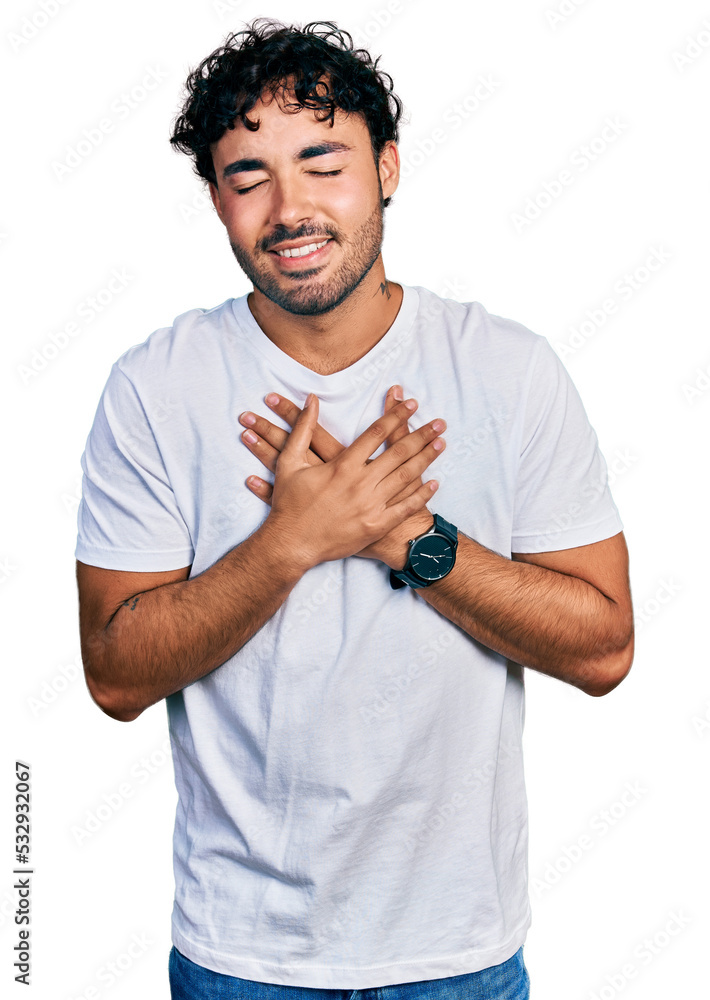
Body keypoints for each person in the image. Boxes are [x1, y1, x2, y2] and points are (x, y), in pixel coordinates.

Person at [74, 18, 634, 1000]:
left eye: (321, 161)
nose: (287, 207)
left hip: (455, 955)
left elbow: (602, 648)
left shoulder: (507, 371)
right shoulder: (155, 386)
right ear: (217, 201)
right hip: (241, 959)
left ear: (386, 168)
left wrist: (405, 537)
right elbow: (117, 677)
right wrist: (289, 544)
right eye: (247, 177)